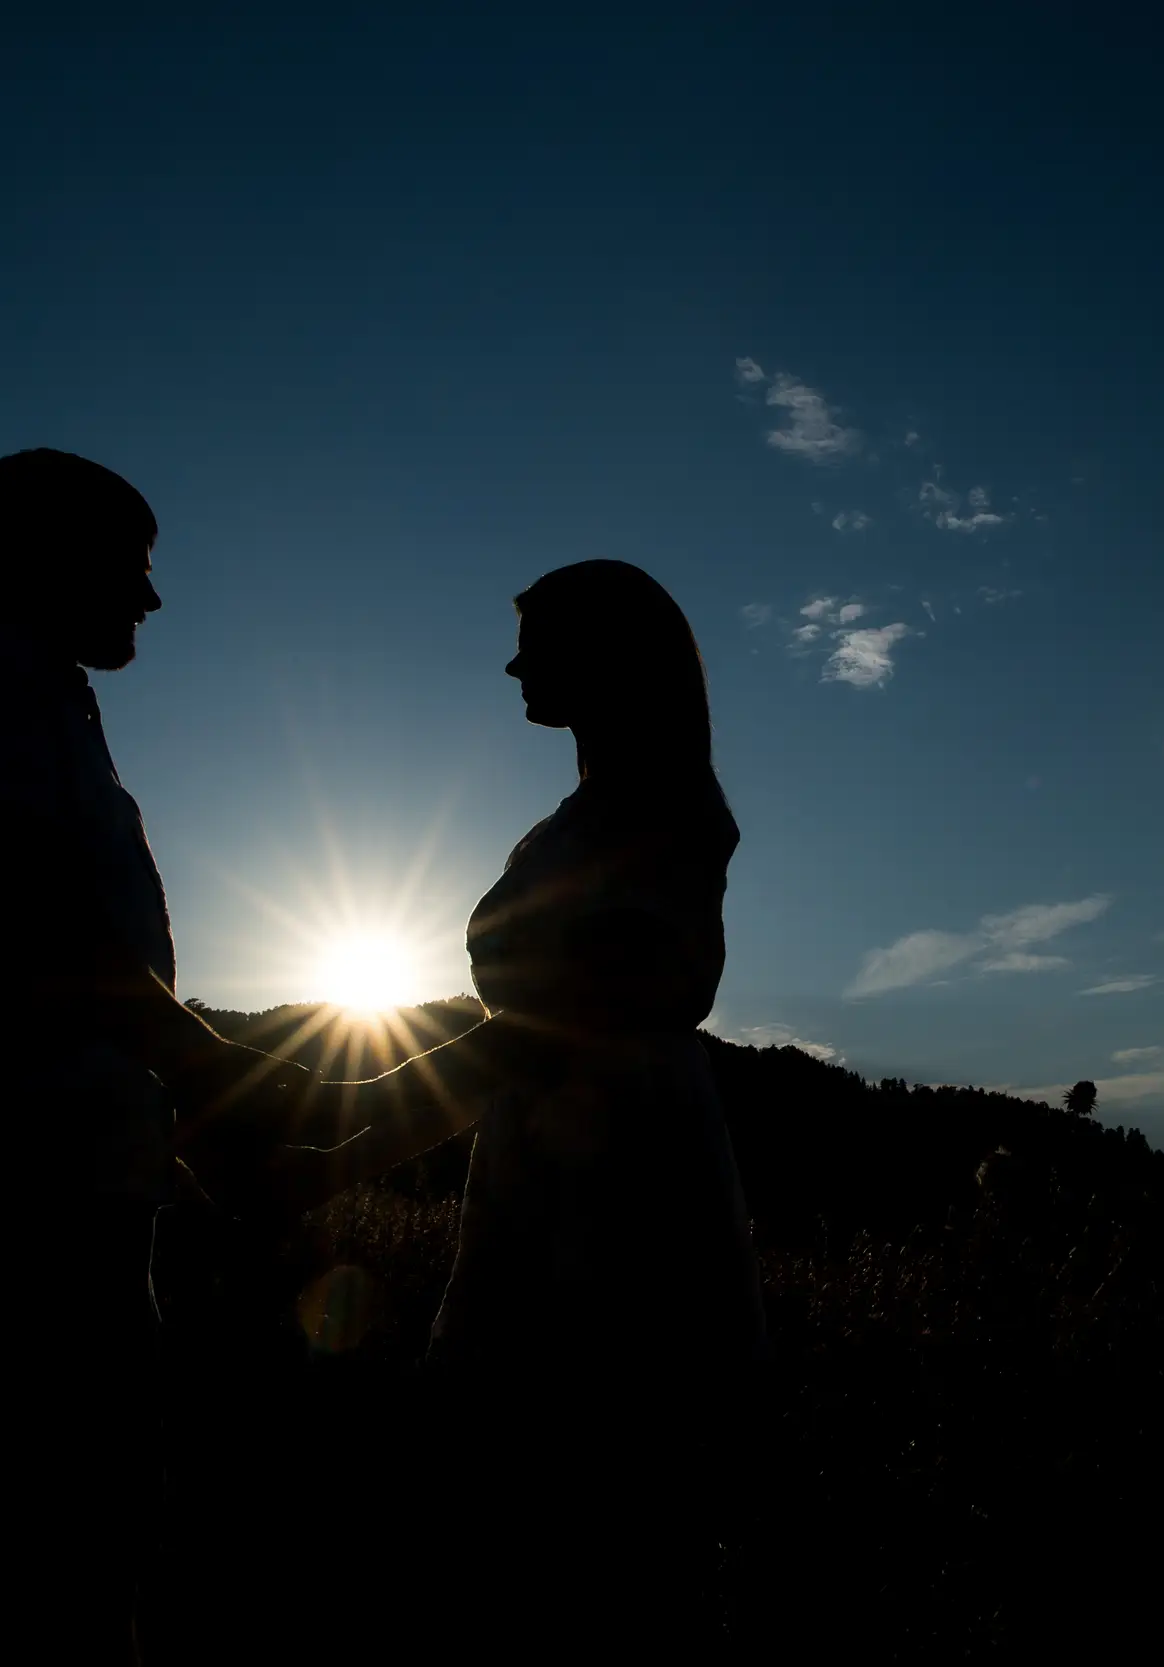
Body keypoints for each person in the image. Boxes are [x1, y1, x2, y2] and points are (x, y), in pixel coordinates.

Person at [0, 448, 310, 1662]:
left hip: (60, 1182)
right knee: (30, 1551)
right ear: (42, 559)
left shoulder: (34, 697)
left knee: (81, 1535)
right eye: (131, 568)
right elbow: (39, 930)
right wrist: (214, 1080)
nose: (149, 599)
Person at [261, 560, 766, 1644]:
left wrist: (354, 1138)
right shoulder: (598, 812)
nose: (512, 662)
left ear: (603, 654)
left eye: (534, 640)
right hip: (558, 1146)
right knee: (545, 1498)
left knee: (588, 1481)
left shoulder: (657, 809)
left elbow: (544, 1030)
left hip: (619, 1162)